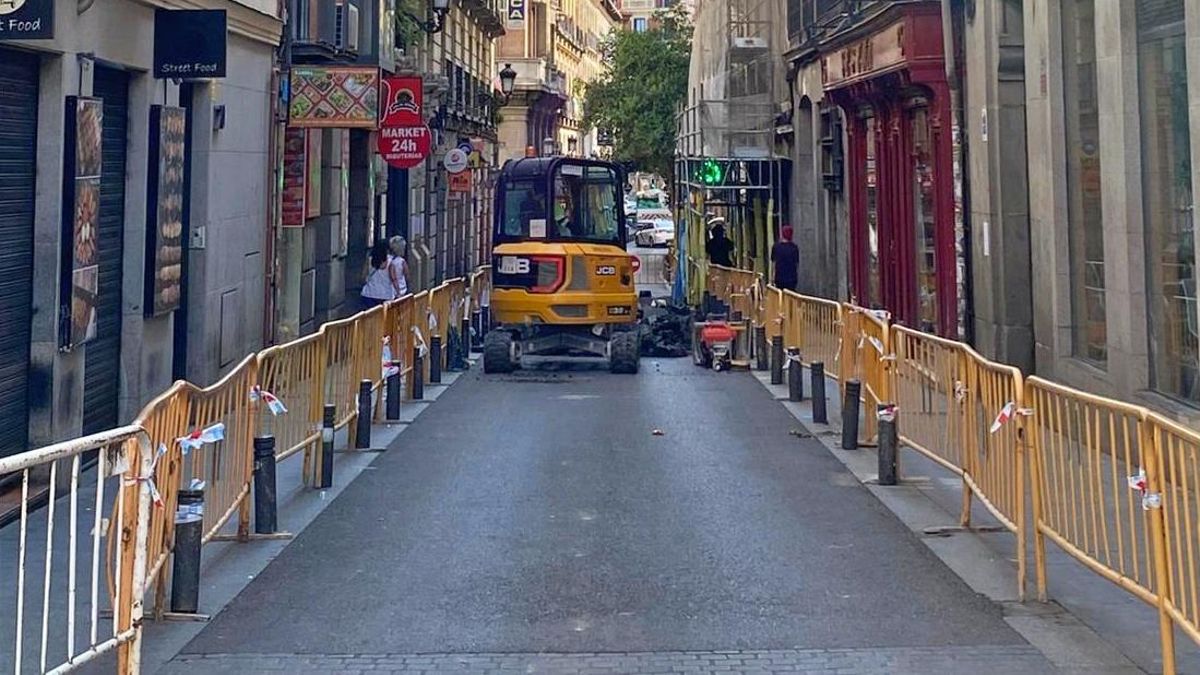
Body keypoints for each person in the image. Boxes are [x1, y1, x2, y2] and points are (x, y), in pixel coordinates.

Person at [360, 240, 394, 309]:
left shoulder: (369, 260)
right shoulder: (390, 261)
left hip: (369, 294)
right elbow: (394, 278)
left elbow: (363, 276)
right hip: (386, 295)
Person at [771, 225, 800, 291]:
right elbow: (796, 264)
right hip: (791, 279)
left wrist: (772, 278)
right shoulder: (794, 248)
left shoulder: (776, 247)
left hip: (779, 279)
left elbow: (774, 264)